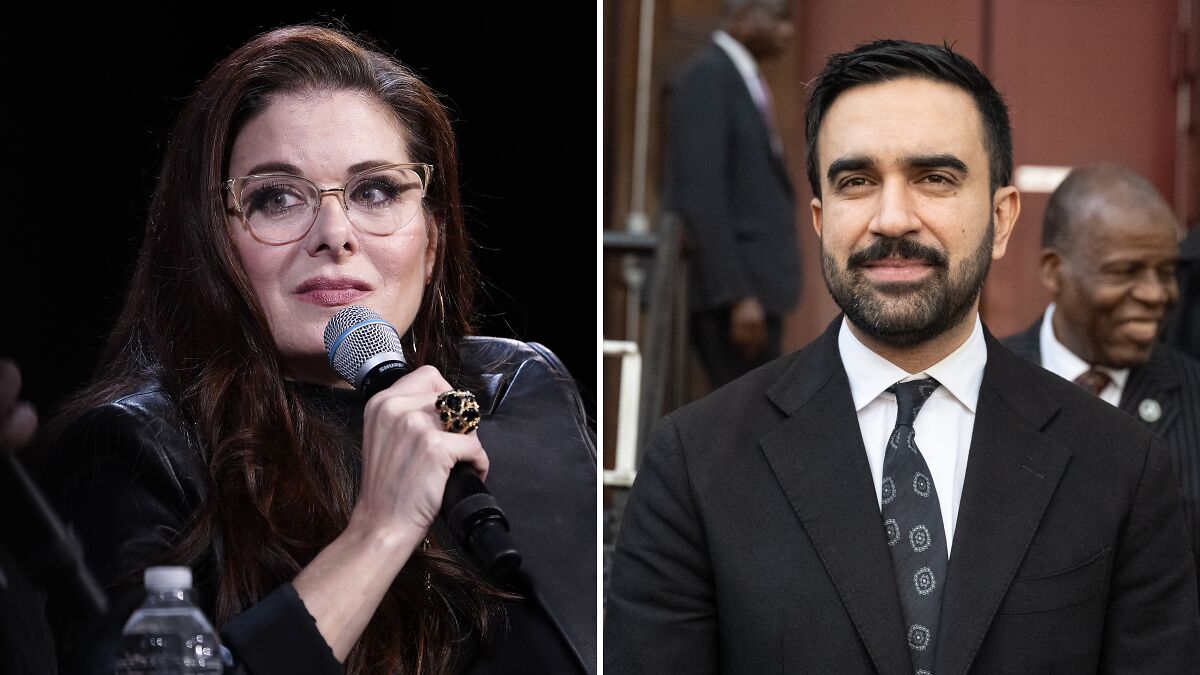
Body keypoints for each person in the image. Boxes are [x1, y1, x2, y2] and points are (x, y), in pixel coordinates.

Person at [605, 39, 1200, 673]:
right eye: (856, 182)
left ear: (1001, 219)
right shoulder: (694, 464)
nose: (891, 219)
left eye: (934, 178)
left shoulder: (1121, 465)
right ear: (820, 219)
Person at [38, 25, 596, 674]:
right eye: (276, 198)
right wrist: (378, 530)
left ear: (433, 239)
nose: (334, 233)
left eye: (375, 191)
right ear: (210, 242)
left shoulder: (514, 389)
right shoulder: (137, 452)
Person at [1001, 162, 1200, 596]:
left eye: (1166, 272)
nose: (1155, 294)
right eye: (1125, 271)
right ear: (1054, 271)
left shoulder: (1193, 394)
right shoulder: (985, 384)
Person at [664, 0, 800, 388]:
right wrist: (737, 295)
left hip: (757, 292)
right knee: (744, 414)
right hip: (734, 300)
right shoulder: (708, 77)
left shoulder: (743, 77)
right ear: (742, 15)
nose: (788, 31)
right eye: (778, 18)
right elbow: (702, 195)